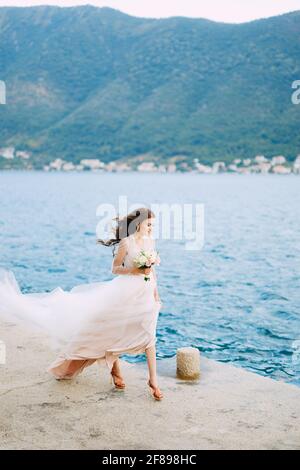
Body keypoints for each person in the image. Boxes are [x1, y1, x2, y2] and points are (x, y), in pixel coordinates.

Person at [0, 207, 164, 400]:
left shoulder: (150, 241)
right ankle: (114, 369)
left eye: (153, 224)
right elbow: (115, 269)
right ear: (139, 224)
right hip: (125, 292)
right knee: (113, 330)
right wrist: (135, 271)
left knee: (149, 336)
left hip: (145, 294)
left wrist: (156, 292)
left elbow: (152, 271)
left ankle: (153, 380)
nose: (152, 228)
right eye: (149, 224)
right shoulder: (126, 243)